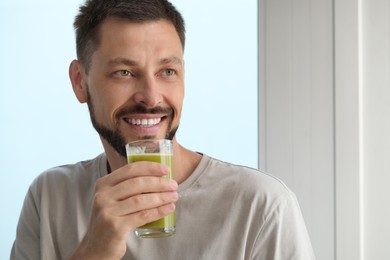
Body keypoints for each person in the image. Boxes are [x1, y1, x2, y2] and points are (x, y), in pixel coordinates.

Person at [11, 0, 316, 259]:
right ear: (80, 82)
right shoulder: (49, 197)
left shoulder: (262, 207)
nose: (151, 96)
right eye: (124, 72)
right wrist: (93, 250)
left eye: (167, 71)